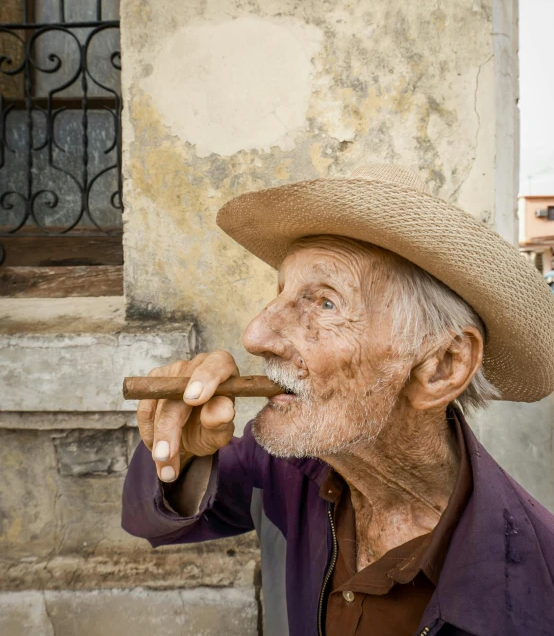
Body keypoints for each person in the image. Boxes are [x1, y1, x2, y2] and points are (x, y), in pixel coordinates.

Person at [122, 163, 554, 636]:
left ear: (443, 365)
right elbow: (159, 519)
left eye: (324, 303)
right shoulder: (300, 461)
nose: (255, 334)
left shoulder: (532, 593)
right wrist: (183, 452)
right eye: (281, 292)